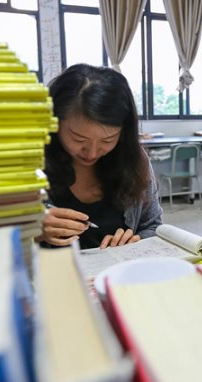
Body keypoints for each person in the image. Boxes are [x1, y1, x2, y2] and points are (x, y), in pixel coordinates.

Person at [39, 64, 162, 249]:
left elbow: (152, 226)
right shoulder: (30, 162)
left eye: (107, 140)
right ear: (53, 123)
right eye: (78, 139)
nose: (92, 153)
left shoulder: (133, 160)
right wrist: (33, 231)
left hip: (117, 268)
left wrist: (135, 241)